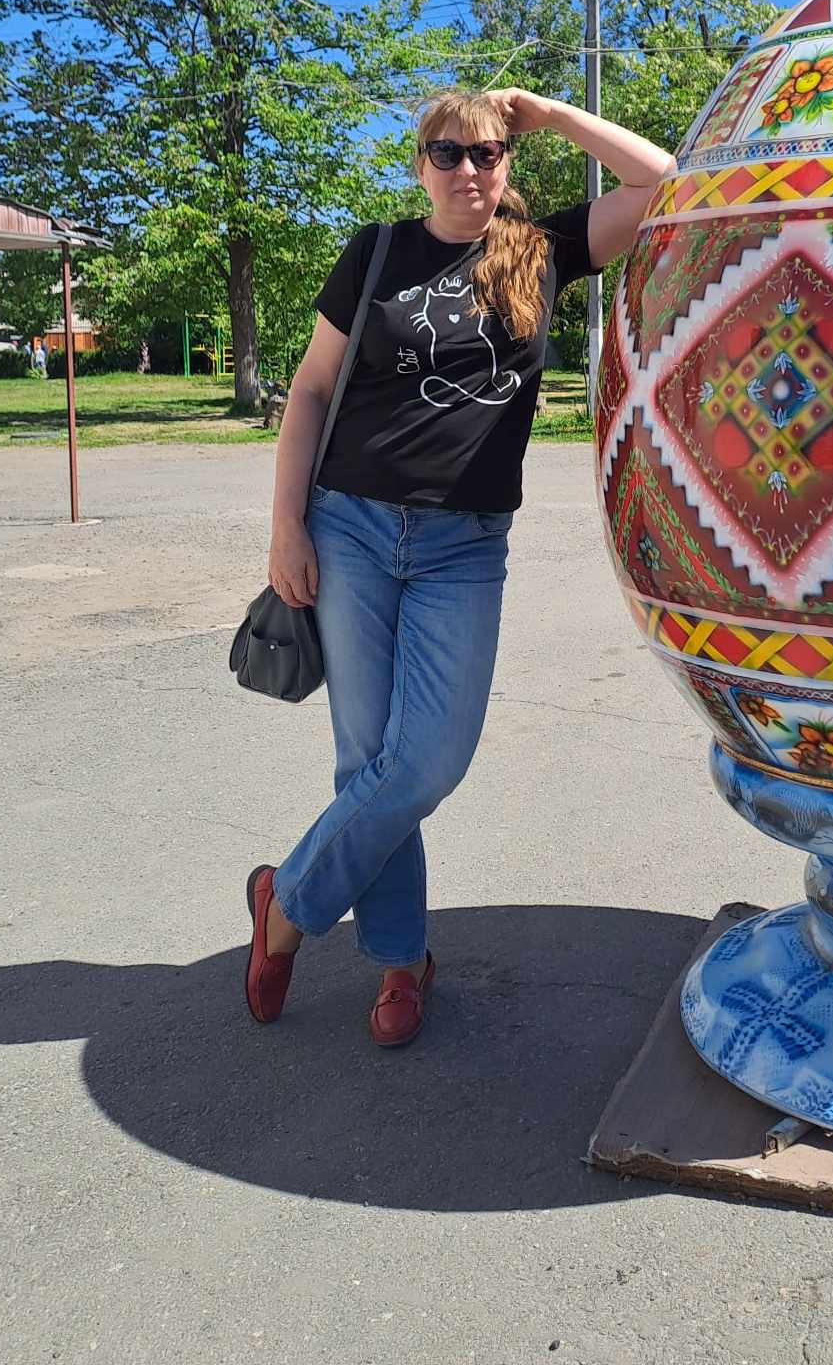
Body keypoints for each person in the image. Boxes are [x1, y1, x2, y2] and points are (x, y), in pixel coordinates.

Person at [242, 88, 675, 1046]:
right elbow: (310, 390)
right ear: (421, 165)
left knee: (427, 760)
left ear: (506, 161)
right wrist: (286, 528)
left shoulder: (539, 251)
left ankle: (286, 903)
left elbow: (661, 181)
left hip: (465, 546)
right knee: (368, 760)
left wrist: (552, 115)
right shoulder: (376, 252)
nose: (468, 169)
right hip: (351, 528)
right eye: (448, 152)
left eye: (486, 152)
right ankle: (402, 961)